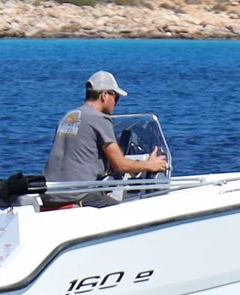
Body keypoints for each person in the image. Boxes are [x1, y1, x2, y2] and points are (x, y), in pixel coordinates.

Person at [42, 71, 167, 208]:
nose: (116, 103)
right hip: (79, 194)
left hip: (50, 193)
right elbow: (120, 165)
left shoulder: (68, 117)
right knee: (128, 212)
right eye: (116, 97)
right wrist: (149, 164)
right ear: (104, 95)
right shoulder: (99, 119)